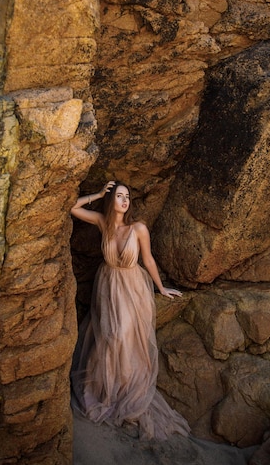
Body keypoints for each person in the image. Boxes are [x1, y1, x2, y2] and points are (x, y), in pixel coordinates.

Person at [70, 180, 190, 441]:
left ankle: (125, 392)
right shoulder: (104, 223)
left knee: (122, 335)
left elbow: (148, 260)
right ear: (111, 200)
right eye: (119, 196)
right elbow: (72, 208)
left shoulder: (139, 228)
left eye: (128, 197)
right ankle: (104, 392)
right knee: (106, 337)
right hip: (107, 286)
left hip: (132, 287)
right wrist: (98, 194)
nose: (125, 201)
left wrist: (161, 288)